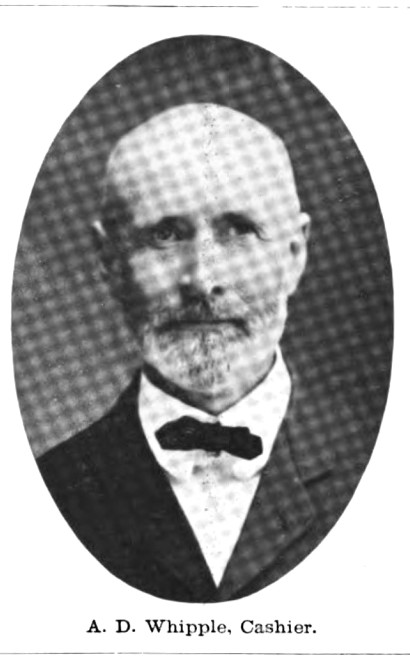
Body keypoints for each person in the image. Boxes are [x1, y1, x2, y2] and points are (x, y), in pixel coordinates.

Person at [38, 103, 369, 602]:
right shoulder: (46, 490)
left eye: (239, 229)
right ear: (109, 260)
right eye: (165, 235)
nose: (203, 279)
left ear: (293, 255)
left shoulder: (383, 469)